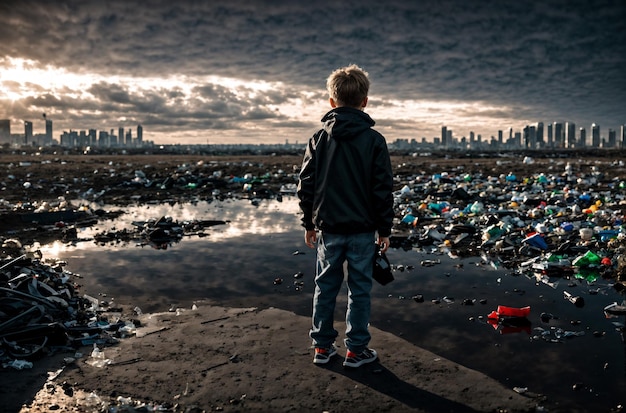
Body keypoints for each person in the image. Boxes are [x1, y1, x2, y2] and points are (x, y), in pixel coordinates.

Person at [297, 64, 394, 368]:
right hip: (364, 229)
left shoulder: (318, 138)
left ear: (331, 102)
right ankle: (356, 350)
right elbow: (382, 188)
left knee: (325, 287)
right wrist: (384, 228)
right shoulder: (374, 140)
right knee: (360, 290)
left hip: (329, 227)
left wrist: (308, 223)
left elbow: (306, 184)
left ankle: (322, 348)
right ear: (365, 101)